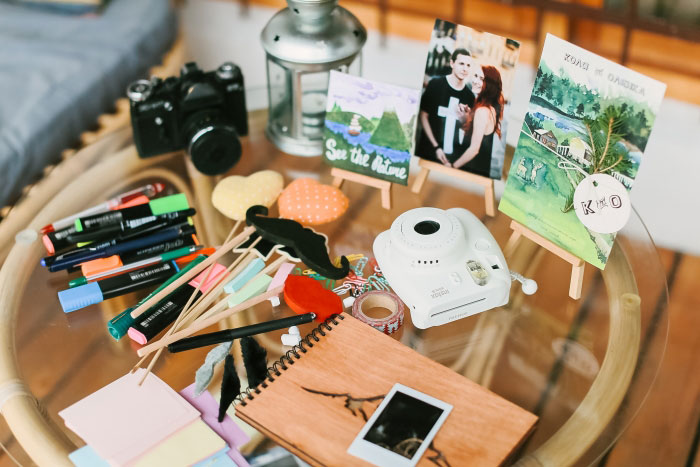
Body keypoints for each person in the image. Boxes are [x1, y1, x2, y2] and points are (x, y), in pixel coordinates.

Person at [416, 48, 475, 166]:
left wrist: (465, 118)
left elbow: (467, 129)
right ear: (452, 63)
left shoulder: (470, 96)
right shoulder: (435, 85)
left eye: (468, 65)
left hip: (453, 155)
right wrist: (436, 147)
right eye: (461, 64)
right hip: (430, 148)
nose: (465, 69)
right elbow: (423, 116)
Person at [449, 65, 504, 178]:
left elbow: (474, 149)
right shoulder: (490, 108)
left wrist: (452, 167)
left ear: (490, 85)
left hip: (473, 170)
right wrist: (468, 117)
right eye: (475, 76)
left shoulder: (482, 111)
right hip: (481, 168)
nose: (475, 81)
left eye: (481, 79)